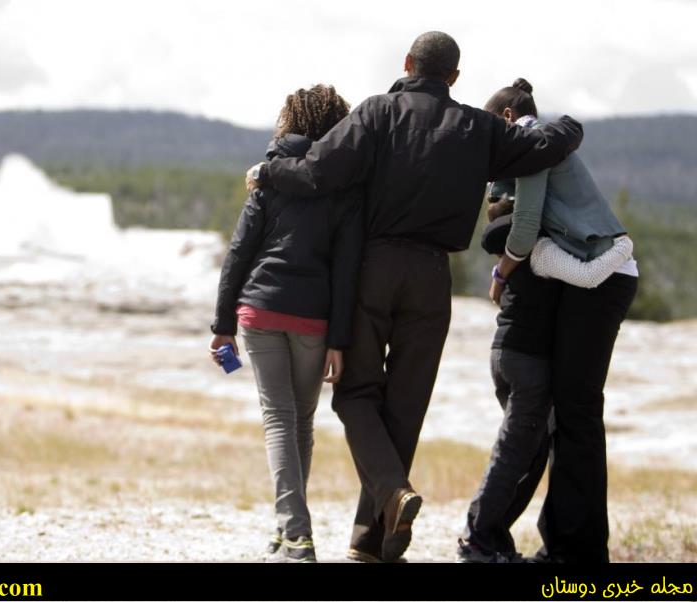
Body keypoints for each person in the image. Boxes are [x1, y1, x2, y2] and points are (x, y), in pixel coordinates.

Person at [246, 32, 585, 562]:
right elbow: (549, 144)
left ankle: (391, 496)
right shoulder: (479, 127)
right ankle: (371, 541)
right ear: (454, 77)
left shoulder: (377, 113)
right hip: (433, 277)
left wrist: (269, 171)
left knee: (356, 393)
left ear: (407, 64)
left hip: (374, 269)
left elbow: (316, 172)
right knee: (405, 406)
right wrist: (568, 123)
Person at [458, 79, 638, 563]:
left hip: (604, 278)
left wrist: (500, 272)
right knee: (565, 412)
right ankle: (563, 541)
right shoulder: (529, 149)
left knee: (576, 412)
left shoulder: (531, 146)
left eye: (492, 123)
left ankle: (577, 551)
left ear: (509, 119)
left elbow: (525, 225)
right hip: (593, 278)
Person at [210, 84, 363, 563]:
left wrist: (222, 324)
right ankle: (287, 532)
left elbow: (240, 252)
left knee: (280, 419)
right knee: (299, 423)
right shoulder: (344, 185)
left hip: (261, 309)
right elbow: (347, 269)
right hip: (314, 319)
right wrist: (339, 339)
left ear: (289, 121)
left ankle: (295, 536)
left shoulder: (269, 177)